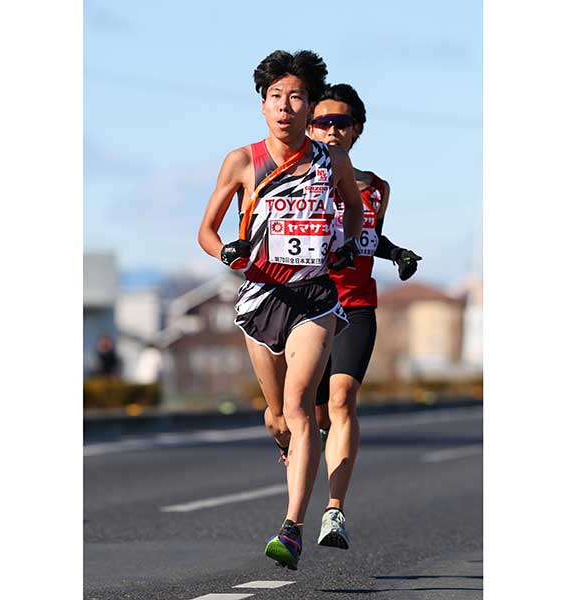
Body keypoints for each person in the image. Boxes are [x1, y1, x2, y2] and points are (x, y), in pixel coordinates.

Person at [197, 51, 364, 570]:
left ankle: (291, 527)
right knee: (278, 419)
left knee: (300, 406)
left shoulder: (331, 161)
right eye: (275, 97)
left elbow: (355, 212)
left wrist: (345, 243)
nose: (285, 107)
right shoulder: (243, 161)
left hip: (315, 298)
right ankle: (289, 445)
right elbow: (206, 230)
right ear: (262, 105)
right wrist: (226, 251)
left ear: (310, 105)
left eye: (296, 97)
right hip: (261, 298)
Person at [306, 83, 423, 550]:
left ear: (357, 130)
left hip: (356, 306)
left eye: (342, 123)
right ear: (310, 127)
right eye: (323, 122)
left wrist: (397, 253)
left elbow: (370, 234)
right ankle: (296, 437)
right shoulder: (295, 179)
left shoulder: (377, 187)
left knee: (343, 399)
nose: (332, 131)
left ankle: (334, 511)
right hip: (305, 308)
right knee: (299, 416)